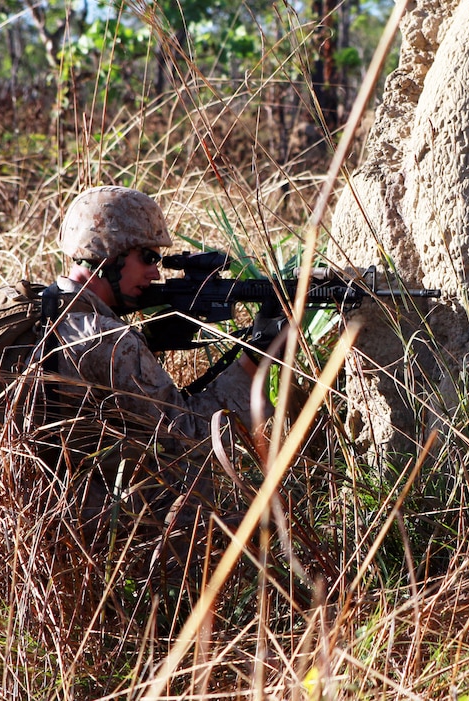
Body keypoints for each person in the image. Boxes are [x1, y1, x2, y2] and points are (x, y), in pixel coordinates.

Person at [37, 185, 279, 581]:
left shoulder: (44, 307)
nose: (155, 272)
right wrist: (256, 360)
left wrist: (149, 340)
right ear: (110, 258)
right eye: (147, 257)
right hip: (94, 531)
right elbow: (194, 436)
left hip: (43, 506)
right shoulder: (108, 340)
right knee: (252, 513)